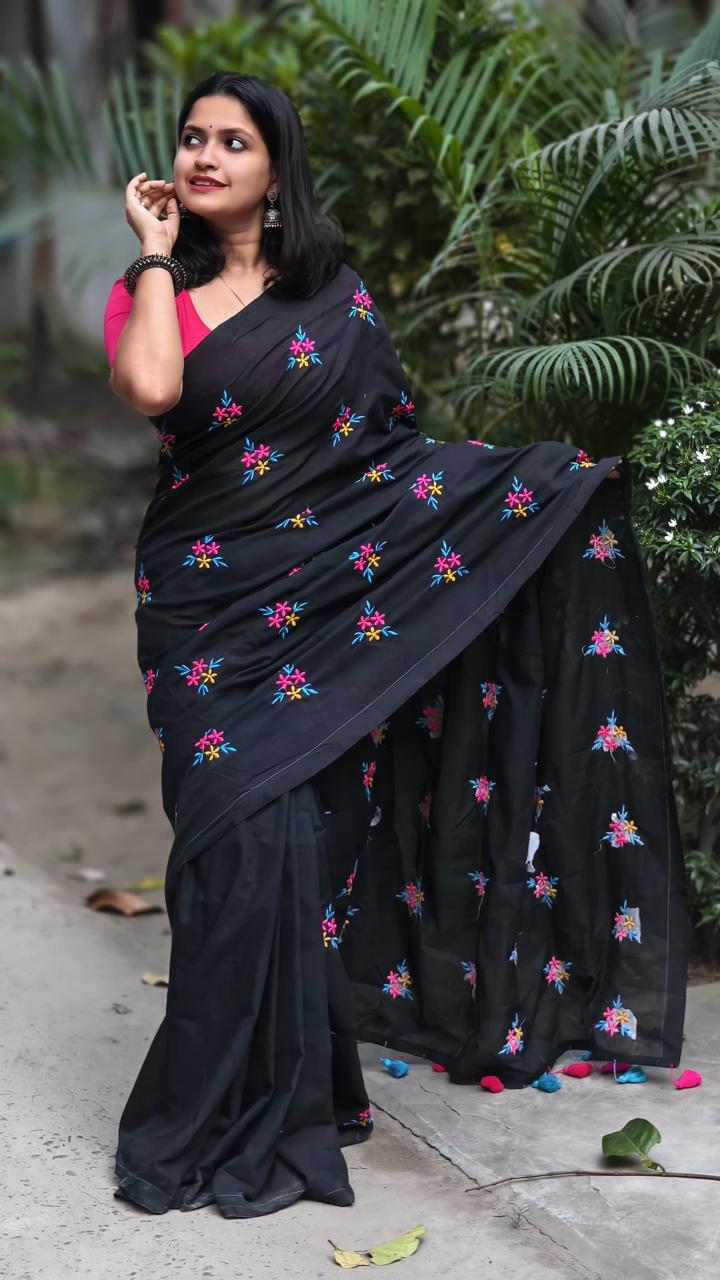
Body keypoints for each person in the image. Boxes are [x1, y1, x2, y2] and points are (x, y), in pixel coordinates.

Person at [103, 70, 687, 1219]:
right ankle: (199, 1115)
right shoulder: (148, 289)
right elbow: (153, 387)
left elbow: (388, 466)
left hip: (328, 619)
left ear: (278, 169)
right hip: (205, 615)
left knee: (304, 851)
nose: (207, 156)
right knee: (231, 845)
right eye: (193, 138)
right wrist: (158, 254)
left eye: (235, 141)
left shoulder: (336, 298)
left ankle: (299, 1091)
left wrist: (537, 490)